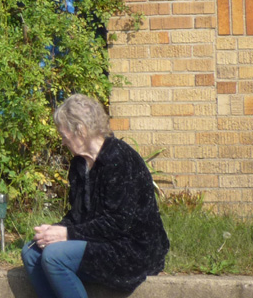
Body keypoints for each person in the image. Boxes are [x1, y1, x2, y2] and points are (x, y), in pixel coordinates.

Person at [22, 94, 169, 298]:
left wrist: (66, 234)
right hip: (100, 240)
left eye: (64, 135)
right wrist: (55, 229)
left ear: (80, 130)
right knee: (31, 252)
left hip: (131, 248)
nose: (63, 142)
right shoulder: (79, 164)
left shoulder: (119, 159)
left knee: (54, 256)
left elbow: (119, 223)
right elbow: (78, 215)